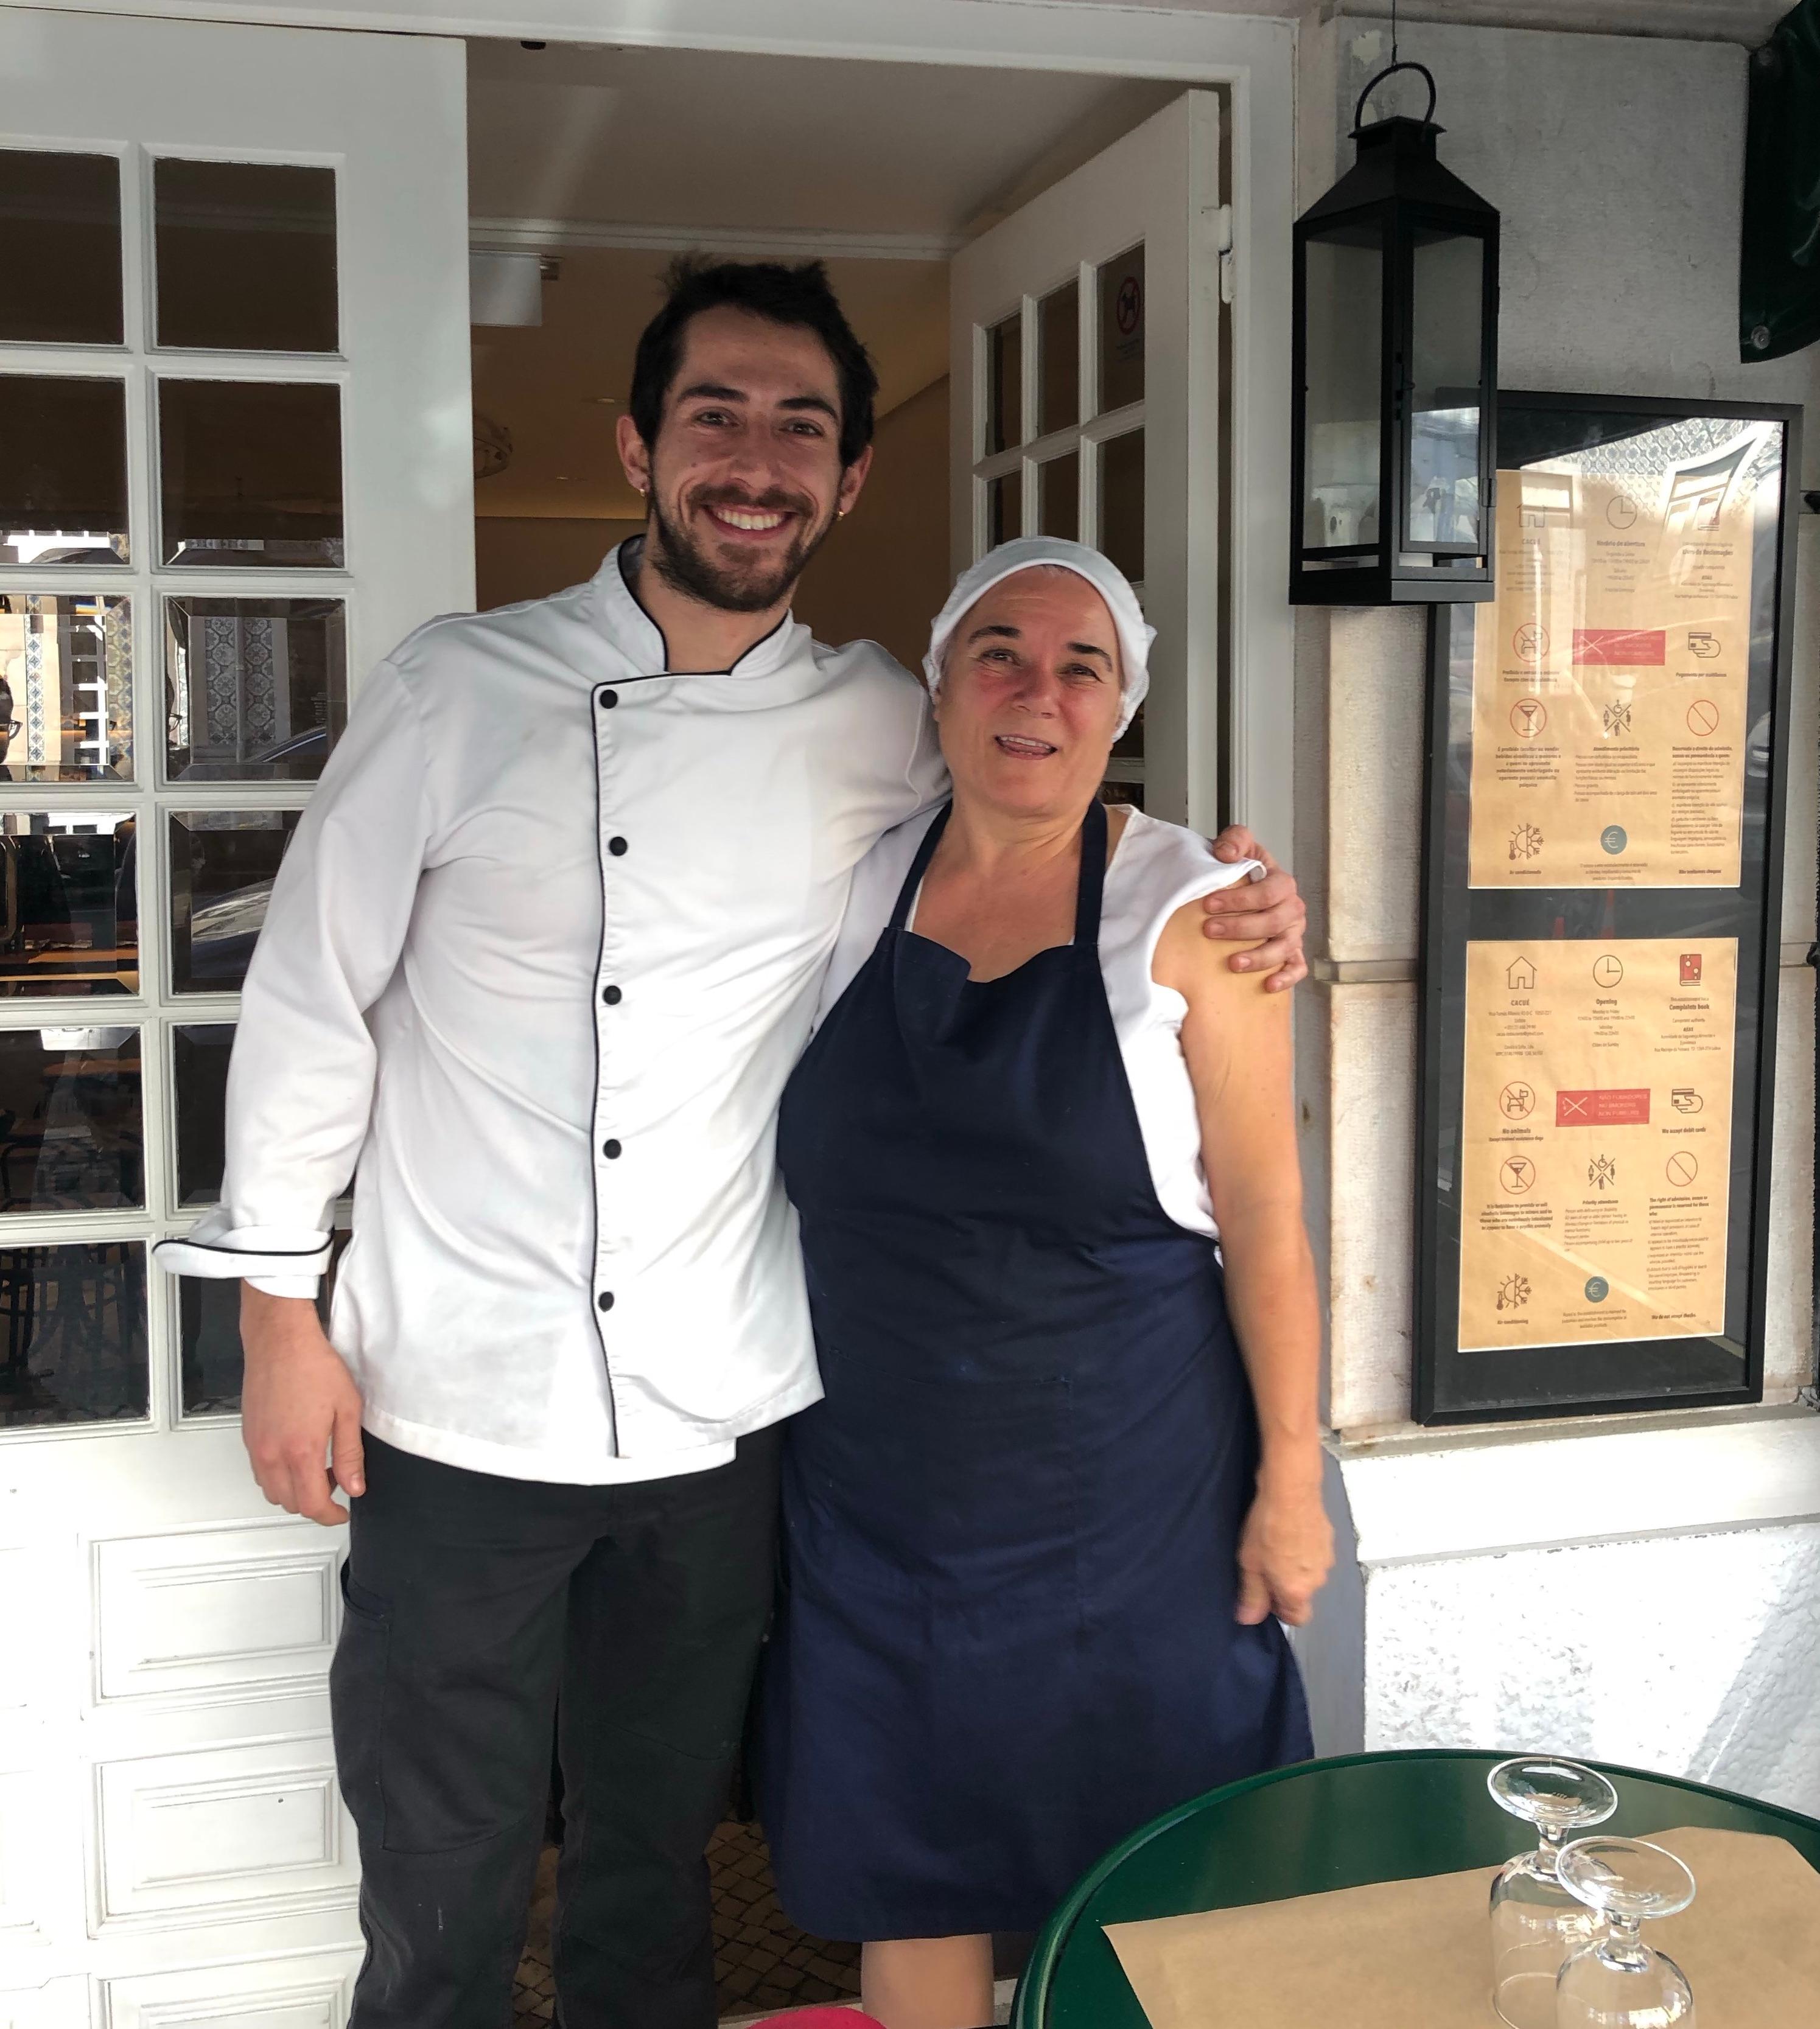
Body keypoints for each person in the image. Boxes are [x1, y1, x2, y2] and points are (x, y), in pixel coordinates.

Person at [152, 260, 1309, 2029]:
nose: (755, 459)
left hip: (719, 1413)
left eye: (801, 428)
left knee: (655, 1860)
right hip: (452, 1390)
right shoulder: (456, 689)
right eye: (716, 414)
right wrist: (277, 1315)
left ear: (848, 482)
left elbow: (1051, 799)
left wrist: (1244, 900)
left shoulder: (871, 718)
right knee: (444, 1867)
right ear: (638, 444)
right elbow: (313, 998)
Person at [757, 538, 1334, 2029]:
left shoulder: (1198, 906)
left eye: (1085, 665)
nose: (1039, 691)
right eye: (1000, 651)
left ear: (1121, 702)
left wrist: (1291, 1481)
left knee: (1163, 1871)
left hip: (1134, 1505)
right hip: (875, 1498)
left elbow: (1267, 1218)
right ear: (940, 684)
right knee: (912, 1863)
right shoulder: (847, 880)